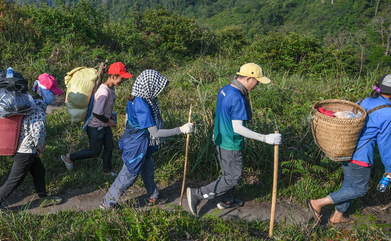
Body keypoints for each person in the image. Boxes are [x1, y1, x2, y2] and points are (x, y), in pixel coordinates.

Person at [187, 63, 281, 216]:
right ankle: (198, 194)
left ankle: (227, 200)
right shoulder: (237, 98)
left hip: (220, 137)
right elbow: (238, 128)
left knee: (228, 174)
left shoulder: (225, 89)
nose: (258, 85)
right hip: (230, 143)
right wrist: (266, 138)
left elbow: (222, 114)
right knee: (232, 179)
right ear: (249, 78)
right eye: (257, 81)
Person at [307, 74, 391, 225]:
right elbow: (387, 145)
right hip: (361, 155)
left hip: (346, 148)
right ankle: (318, 203)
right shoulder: (390, 114)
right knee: (360, 189)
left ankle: (337, 216)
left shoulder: (365, 101)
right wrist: (390, 169)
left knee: (350, 184)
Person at [101, 70, 194, 209]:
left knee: (147, 167)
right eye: (156, 87)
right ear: (149, 86)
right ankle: (108, 202)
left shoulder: (139, 96)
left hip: (141, 140)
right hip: (136, 142)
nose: (158, 91)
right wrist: (180, 130)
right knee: (129, 173)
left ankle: (153, 195)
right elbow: (155, 133)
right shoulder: (141, 104)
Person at [0, 73, 64, 211]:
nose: (54, 96)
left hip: (21, 143)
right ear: (43, 91)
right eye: (52, 93)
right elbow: (37, 131)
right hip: (25, 149)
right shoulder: (39, 106)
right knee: (15, 180)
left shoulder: (30, 100)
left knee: (39, 170)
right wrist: (40, 147)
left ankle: (43, 197)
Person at [61, 62, 132, 176]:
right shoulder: (104, 92)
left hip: (103, 124)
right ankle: (70, 157)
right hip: (95, 126)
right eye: (121, 78)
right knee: (95, 152)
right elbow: (97, 113)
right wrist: (109, 121)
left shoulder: (111, 89)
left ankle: (106, 171)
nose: (122, 81)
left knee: (109, 147)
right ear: (113, 76)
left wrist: (110, 116)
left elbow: (102, 110)